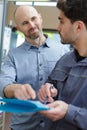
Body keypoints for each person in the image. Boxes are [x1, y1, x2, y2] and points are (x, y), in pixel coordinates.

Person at [0, 5, 69, 130]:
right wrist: (14, 88)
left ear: (40, 18)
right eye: (25, 23)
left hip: (55, 126)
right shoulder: (13, 55)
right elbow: (3, 82)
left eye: (33, 19)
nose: (31, 25)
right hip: (22, 127)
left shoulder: (63, 51)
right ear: (19, 28)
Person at [38, 0, 87, 130]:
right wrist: (48, 89)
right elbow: (51, 82)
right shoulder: (64, 60)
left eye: (61, 21)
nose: (58, 27)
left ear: (78, 27)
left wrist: (68, 112)